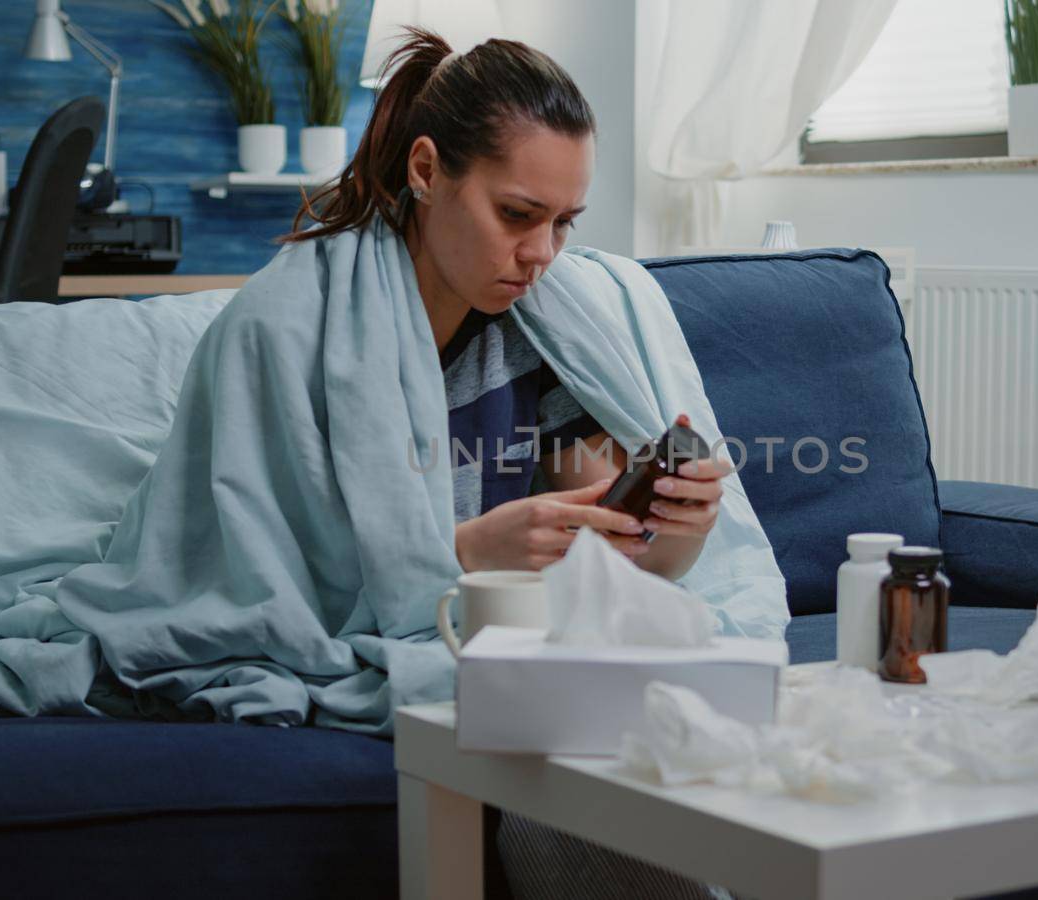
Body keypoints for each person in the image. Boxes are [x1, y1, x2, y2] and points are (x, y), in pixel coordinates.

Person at [272, 26, 749, 900]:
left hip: (514, 656)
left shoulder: (537, 330)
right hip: (436, 646)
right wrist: (465, 551)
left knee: (641, 742)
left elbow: (615, 552)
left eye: (564, 223)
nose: (541, 256)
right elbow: (263, 574)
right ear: (426, 172)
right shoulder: (297, 326)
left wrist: (677, 523)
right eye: (518, 215)